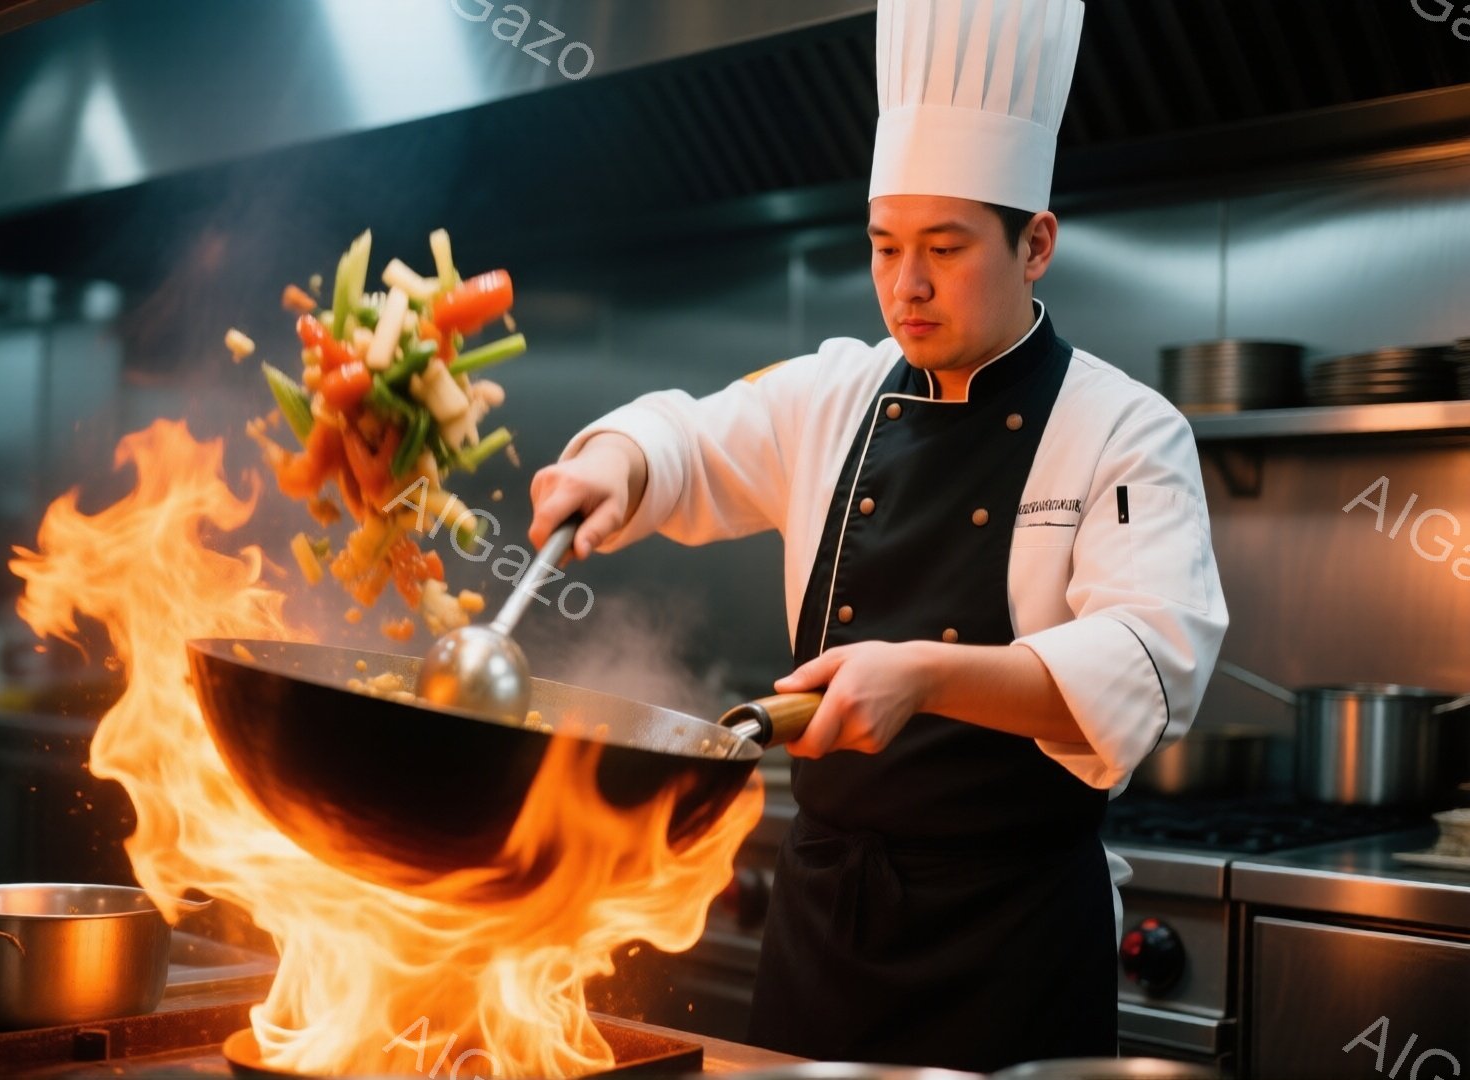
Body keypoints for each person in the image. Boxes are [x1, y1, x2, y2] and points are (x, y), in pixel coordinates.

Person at [526, 0, 1229, 1070]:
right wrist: (612, 464)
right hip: (826, 930)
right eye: (885, 244)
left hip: (1011, 940)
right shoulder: (840, 391)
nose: (907, 284)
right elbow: (690, 441)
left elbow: (1146, 662)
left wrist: (921, 675)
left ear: (1035, 243)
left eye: (945, 248)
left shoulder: (1124, 429)